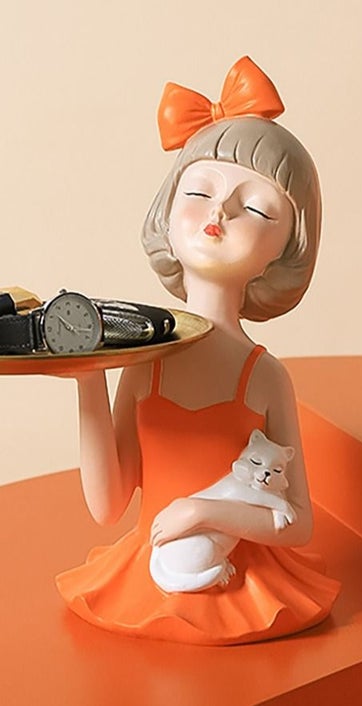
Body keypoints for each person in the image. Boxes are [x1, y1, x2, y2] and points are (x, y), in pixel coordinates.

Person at [56, 56, 340, 645]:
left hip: (242, 576)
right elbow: (108, 508)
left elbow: (297, 522)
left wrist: (203, 512)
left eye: (255, 207)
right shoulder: (145, 363)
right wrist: (89, 378)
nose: (220, 211)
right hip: (149, 566)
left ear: (284, 252)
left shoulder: (264, 376)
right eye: (199, 191)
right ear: (167, 214)